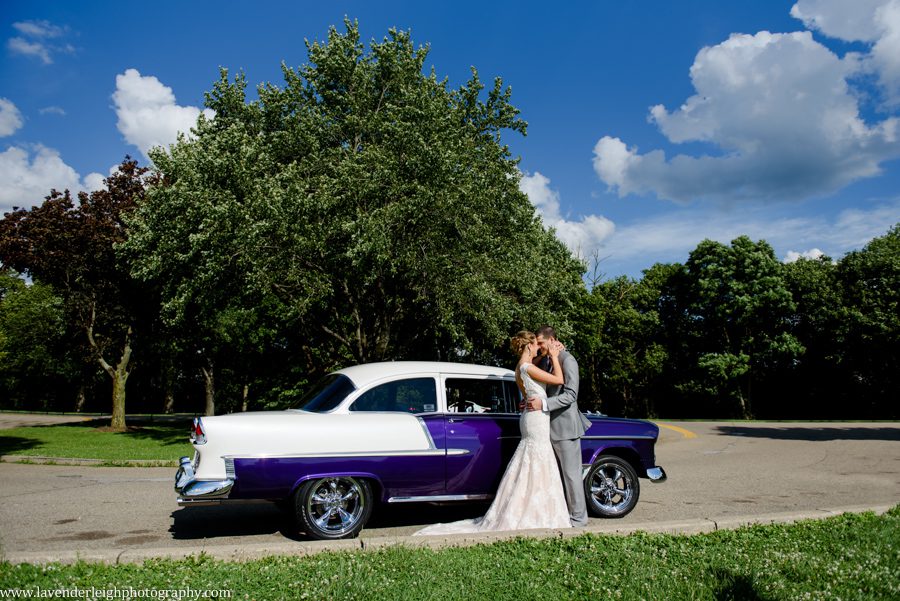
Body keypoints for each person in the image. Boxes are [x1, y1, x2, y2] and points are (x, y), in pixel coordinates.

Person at [414, 330, 571, 535]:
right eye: (536, 345)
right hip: (536, 418)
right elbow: (559, 380)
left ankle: (526, 507)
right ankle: (538, 510)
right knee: (538, 459)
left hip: (530, 416)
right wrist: (553, 355)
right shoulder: (528, 367)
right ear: (528, 346)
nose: (538, 349)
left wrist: (545, 354)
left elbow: (527, 392)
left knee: (531, 460)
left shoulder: (519, 368)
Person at [525, 325, 592, 527]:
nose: (539, 346)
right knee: (555, 476)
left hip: (565, 428)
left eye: (541, 342)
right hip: (546, 428)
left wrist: (543, 404)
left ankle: (579, 519)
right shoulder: (546, 360)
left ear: (552, 340)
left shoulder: (568, 360)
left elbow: (571, 395)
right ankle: (562, 514)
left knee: (571, 476)